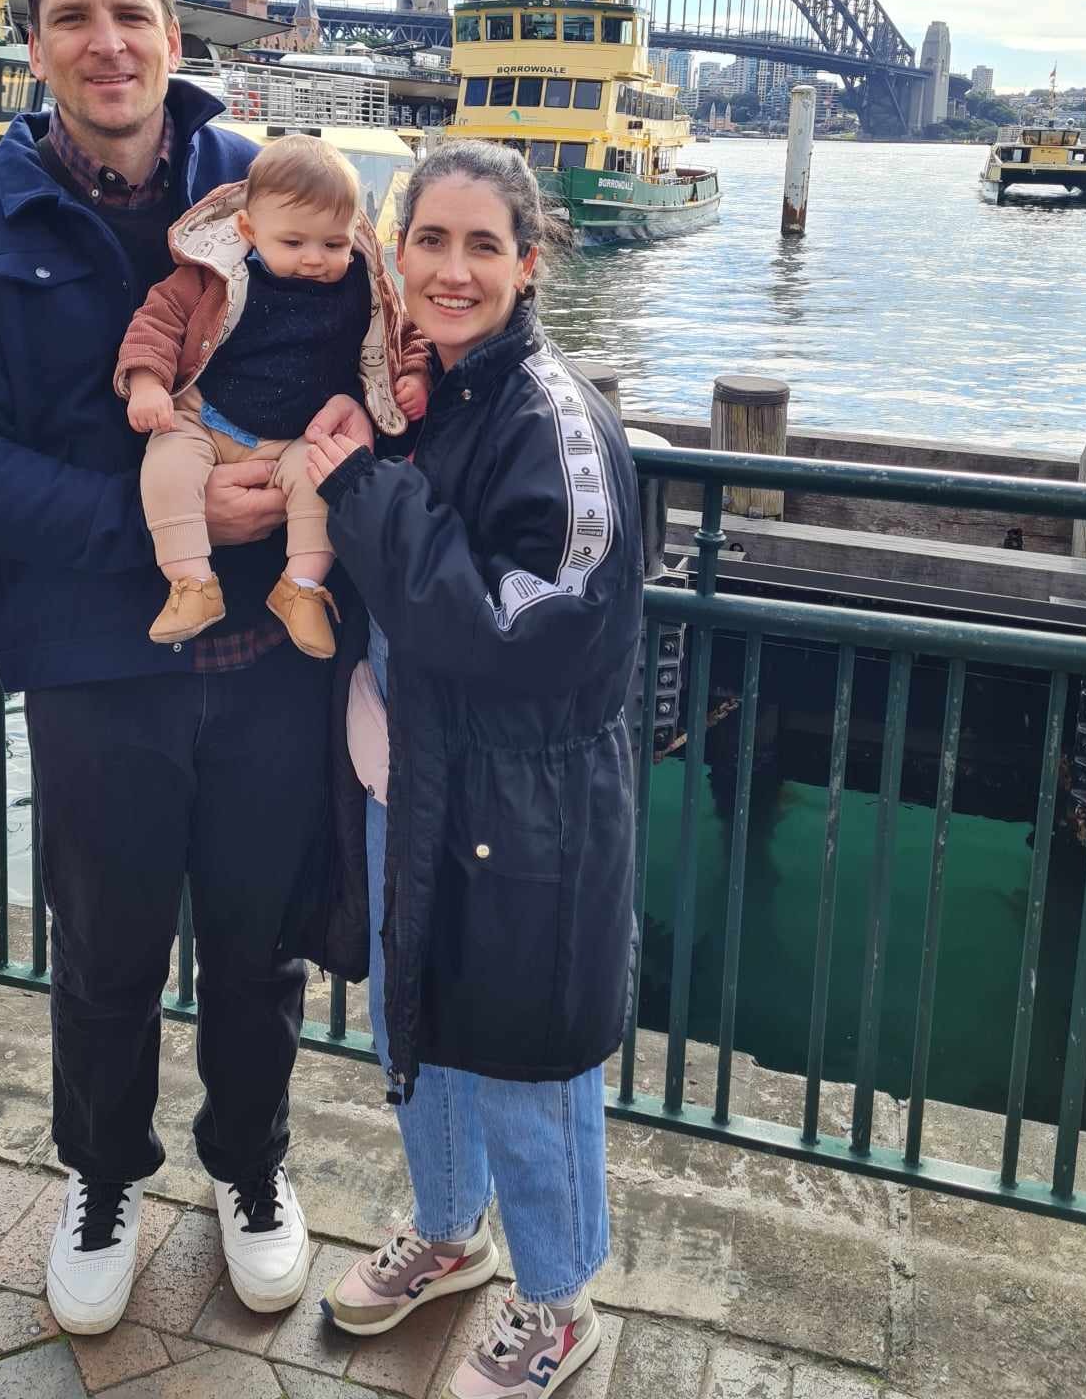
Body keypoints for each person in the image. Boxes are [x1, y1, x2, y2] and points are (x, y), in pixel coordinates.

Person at [0, 0, 360, 1336]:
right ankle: (102, 1179)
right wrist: (155, 519)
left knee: (260, 944)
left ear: (173, 37)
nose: (107, 43)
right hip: (97, 663)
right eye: (75, 18)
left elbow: (391, 327)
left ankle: (250, 1166)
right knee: (105, 952)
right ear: (35, 46)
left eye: (132, 15)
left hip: (271, 650)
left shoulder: (268, 186)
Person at [305, 141, 643, 1399]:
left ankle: (558, 1303)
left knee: (526, 1057)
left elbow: (526, 625)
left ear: (528, 262)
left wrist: (360, 490)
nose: (453, 270)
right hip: (425, 781)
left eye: (482, 245)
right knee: (420, 1017)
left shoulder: (557, 418)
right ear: (398, 255)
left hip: (530, 803)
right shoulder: (430, 392)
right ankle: (449, 1233)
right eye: (430, 242)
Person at [115, 134, 429, 658]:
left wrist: (414, 376)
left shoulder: (363, 285)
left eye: (333, 245)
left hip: (296, 436)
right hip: (205, 418)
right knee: (166, 467)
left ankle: (301, 586)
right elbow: (158, 321)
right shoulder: (215, 275)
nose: (314, 259)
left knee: (324, 478)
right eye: (294, 243)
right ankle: (191, 582)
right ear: (248, 229)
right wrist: (147, 382)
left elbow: (401, 332)